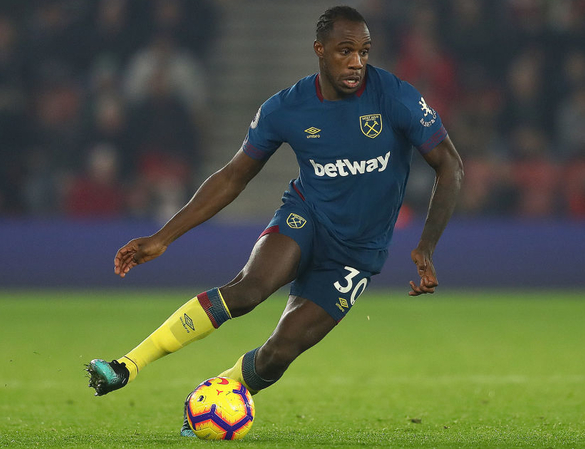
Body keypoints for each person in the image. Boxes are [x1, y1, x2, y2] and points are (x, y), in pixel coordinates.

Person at [86, 5, 463, 437]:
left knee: (278, 354)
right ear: (319, 50)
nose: (357, 62)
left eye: (364, 51)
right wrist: (163, 237)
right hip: (306, 218)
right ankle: (127, 366)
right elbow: (232, 177)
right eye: (345, 51)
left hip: (357, 253)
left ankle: (221, 392)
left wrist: (427, 245)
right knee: (247, 291)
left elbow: (450, 166)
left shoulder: (394, 96)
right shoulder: (286, 108)